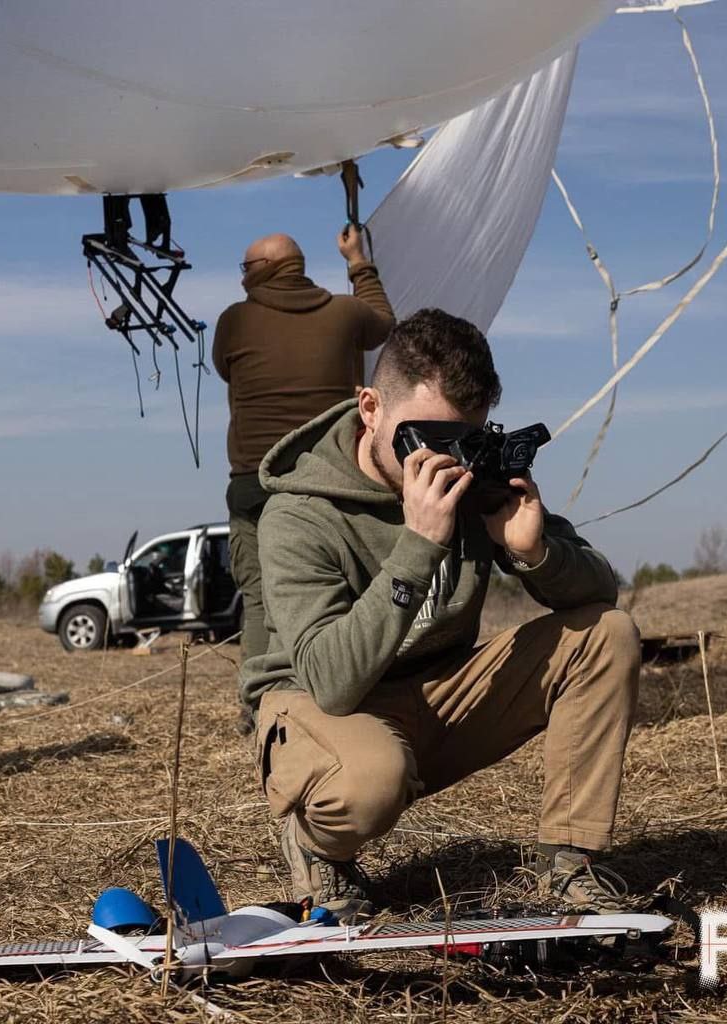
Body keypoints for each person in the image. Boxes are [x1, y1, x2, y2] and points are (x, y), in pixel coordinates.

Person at [241, 308, 640, 922]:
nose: (442, 461)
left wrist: (533, 552)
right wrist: (419, 544)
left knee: (606, 635)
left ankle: (572, 861)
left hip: (435, 698)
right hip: (321, 709)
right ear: (369, 407)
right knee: (372, 773)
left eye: (463, 439)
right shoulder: (298, 514)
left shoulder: (470, 477)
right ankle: (319, 846)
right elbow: (332, 679)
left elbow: (600, 593)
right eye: (419, 437)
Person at [213, 227, 394, 732]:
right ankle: (338, 692)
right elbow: (384, 323)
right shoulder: (345, 314)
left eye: (245, 269)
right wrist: (358, 261)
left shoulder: (234, 321)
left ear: (262, 271)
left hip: (252, 482)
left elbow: (226, 370)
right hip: (324, 480)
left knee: (258, 597)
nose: (243, 279)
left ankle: (261, 709)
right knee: (341, 590)